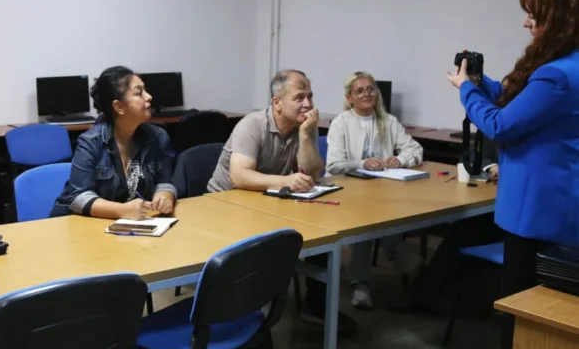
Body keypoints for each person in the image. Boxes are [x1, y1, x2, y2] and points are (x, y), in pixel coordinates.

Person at [447, 0, 579, 349]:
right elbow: (520, 103)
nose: (526, 22)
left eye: (533, 14)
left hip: (536, 213)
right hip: (562, 207)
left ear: (557, 17)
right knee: (544, 312)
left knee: (521, 313)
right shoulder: (569, 66)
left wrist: (466, 91)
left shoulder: (555, 75)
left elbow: (501, 124)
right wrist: (482, 83)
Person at [206, 70, 355, 330]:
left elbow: (313, 173)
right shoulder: (252, 125)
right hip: (224, 205)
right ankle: (246, 319)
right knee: (264, 246)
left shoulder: (303, 126)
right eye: (299, 97)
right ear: (277, 102)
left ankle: (317, 306)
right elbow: (239, 176)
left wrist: (306, 135)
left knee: (324, 234)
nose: (308, 104)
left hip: (267, 202)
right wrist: (285, 181)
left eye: (310, 96)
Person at [326, 71, 424, 309]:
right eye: (359, 91)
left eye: (371, 89)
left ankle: (394, 257)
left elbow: (415, 149)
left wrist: (400, 160)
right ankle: (369, 276)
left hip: (382, 192)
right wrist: (362, 163)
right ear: (349, 97)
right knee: (365, 219)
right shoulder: (340, 123)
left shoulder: (388, 121)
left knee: (381, 212)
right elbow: (334, 164)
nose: (366, 94)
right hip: (346, 191)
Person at [51, 66, 176, 219]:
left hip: (127, 224)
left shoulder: (158, 136)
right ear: (119, 107)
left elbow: (164, 181)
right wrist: (121, 210)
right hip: (78, 223)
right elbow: (79, 197)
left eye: (145, 90)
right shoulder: (90, 142)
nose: (149, 96)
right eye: (138, 92)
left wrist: (164, 196)